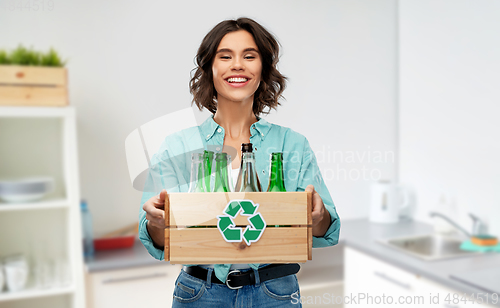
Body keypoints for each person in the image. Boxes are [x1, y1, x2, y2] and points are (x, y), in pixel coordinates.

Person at [139, 17, 340, 307]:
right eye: (225, 56)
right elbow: (156, 239)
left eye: (249, 56)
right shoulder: (178, 147)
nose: (237, 65)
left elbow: (328, 229)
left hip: (274, 293)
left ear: (263, 69)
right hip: (199, 293)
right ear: (210, 68)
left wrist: (319, 218)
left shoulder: (292, 145)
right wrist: (156, 221)